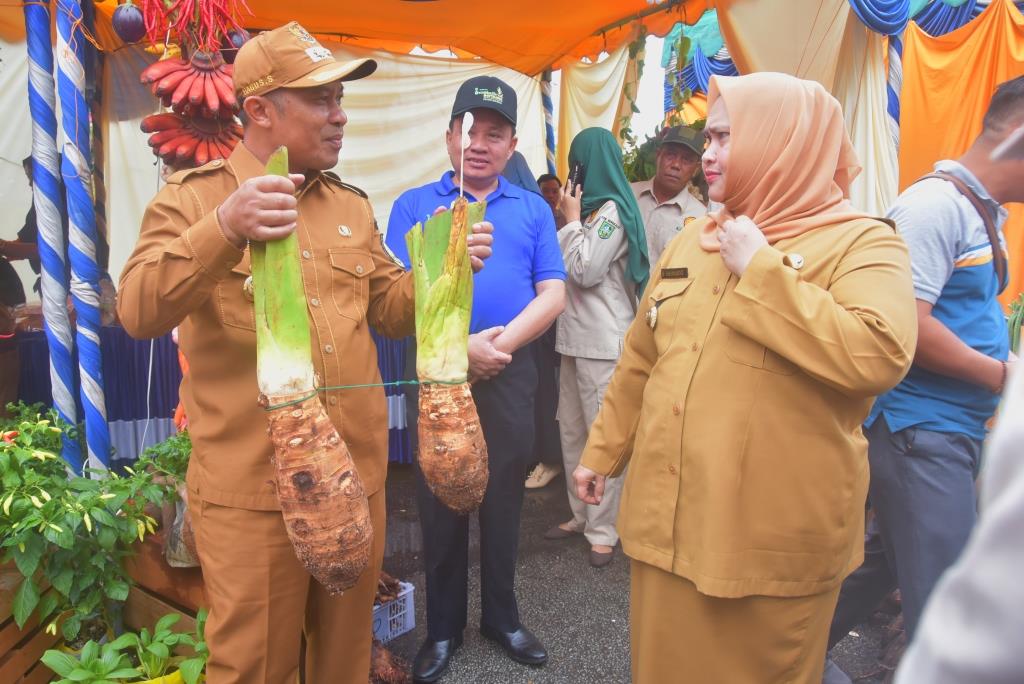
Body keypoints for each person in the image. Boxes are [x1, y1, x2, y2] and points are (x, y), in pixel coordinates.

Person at [117, 23, 493, 684]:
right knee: (254, 665)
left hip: (356, 488)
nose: (340, 115)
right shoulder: (195, 200)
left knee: (344, 663)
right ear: (261, 109)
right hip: (255, 497)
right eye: (321, 100)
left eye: (340, 99)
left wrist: (442, 276)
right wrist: (225, 228)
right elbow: (140, 310)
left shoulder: (348, 205)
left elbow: (388, 309)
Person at [572, 72, 917, 683]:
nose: (707, 153)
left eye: (726, 137)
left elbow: (878, 354)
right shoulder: (692, 239)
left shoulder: (863, 244)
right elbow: (641, 359)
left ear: (785, 142)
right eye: (709, 136)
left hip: (769, 546)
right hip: (667, 524)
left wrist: (761, 269)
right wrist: (602, 453)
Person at [824, 75, 1024, 682]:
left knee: (881, 564)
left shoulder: (973, 208)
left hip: (944, 432)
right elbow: (903, 327)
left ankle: (782, 653)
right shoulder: (934, 206)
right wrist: (1000, 375)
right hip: (920, 432)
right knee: (948, 608)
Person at [384, 75, 566, 683]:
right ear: (449, 137)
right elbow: (392, 298)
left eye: (494, 134)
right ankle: (441, 631)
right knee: (438, 504)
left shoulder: (532, 208)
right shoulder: (415, 206)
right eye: (469, 131)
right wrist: (458, 349)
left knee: (504, 501)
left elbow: (554, 292)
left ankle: (502, 619)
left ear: (512, 144)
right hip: (438, 377)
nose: (479, 144)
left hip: (510, 374)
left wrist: (500, 347)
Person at [543, 127, 648, 568]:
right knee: (572, 432)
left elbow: (585, 270)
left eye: (579, 161)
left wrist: (568, 221)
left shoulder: (612, 212)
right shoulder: (586, 209)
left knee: (601, 438)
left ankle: (605, 530)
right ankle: (582, 515)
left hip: (604, 344)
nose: (574, 171)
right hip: (573, 340)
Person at [494, 158, 563, 491]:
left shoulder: (536, 213)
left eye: (554, 191)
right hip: (527, 334)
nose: (549, 197)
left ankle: (545, 457)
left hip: (537, 330)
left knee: (541, 394)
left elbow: (555, 288)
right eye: (544, 190)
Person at [632, 125, 707, 267]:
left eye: (686, 160)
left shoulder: (700, 218)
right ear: (658, 155)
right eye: (671, 155)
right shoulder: (628, 195)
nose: (676, 165)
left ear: (696, 169)